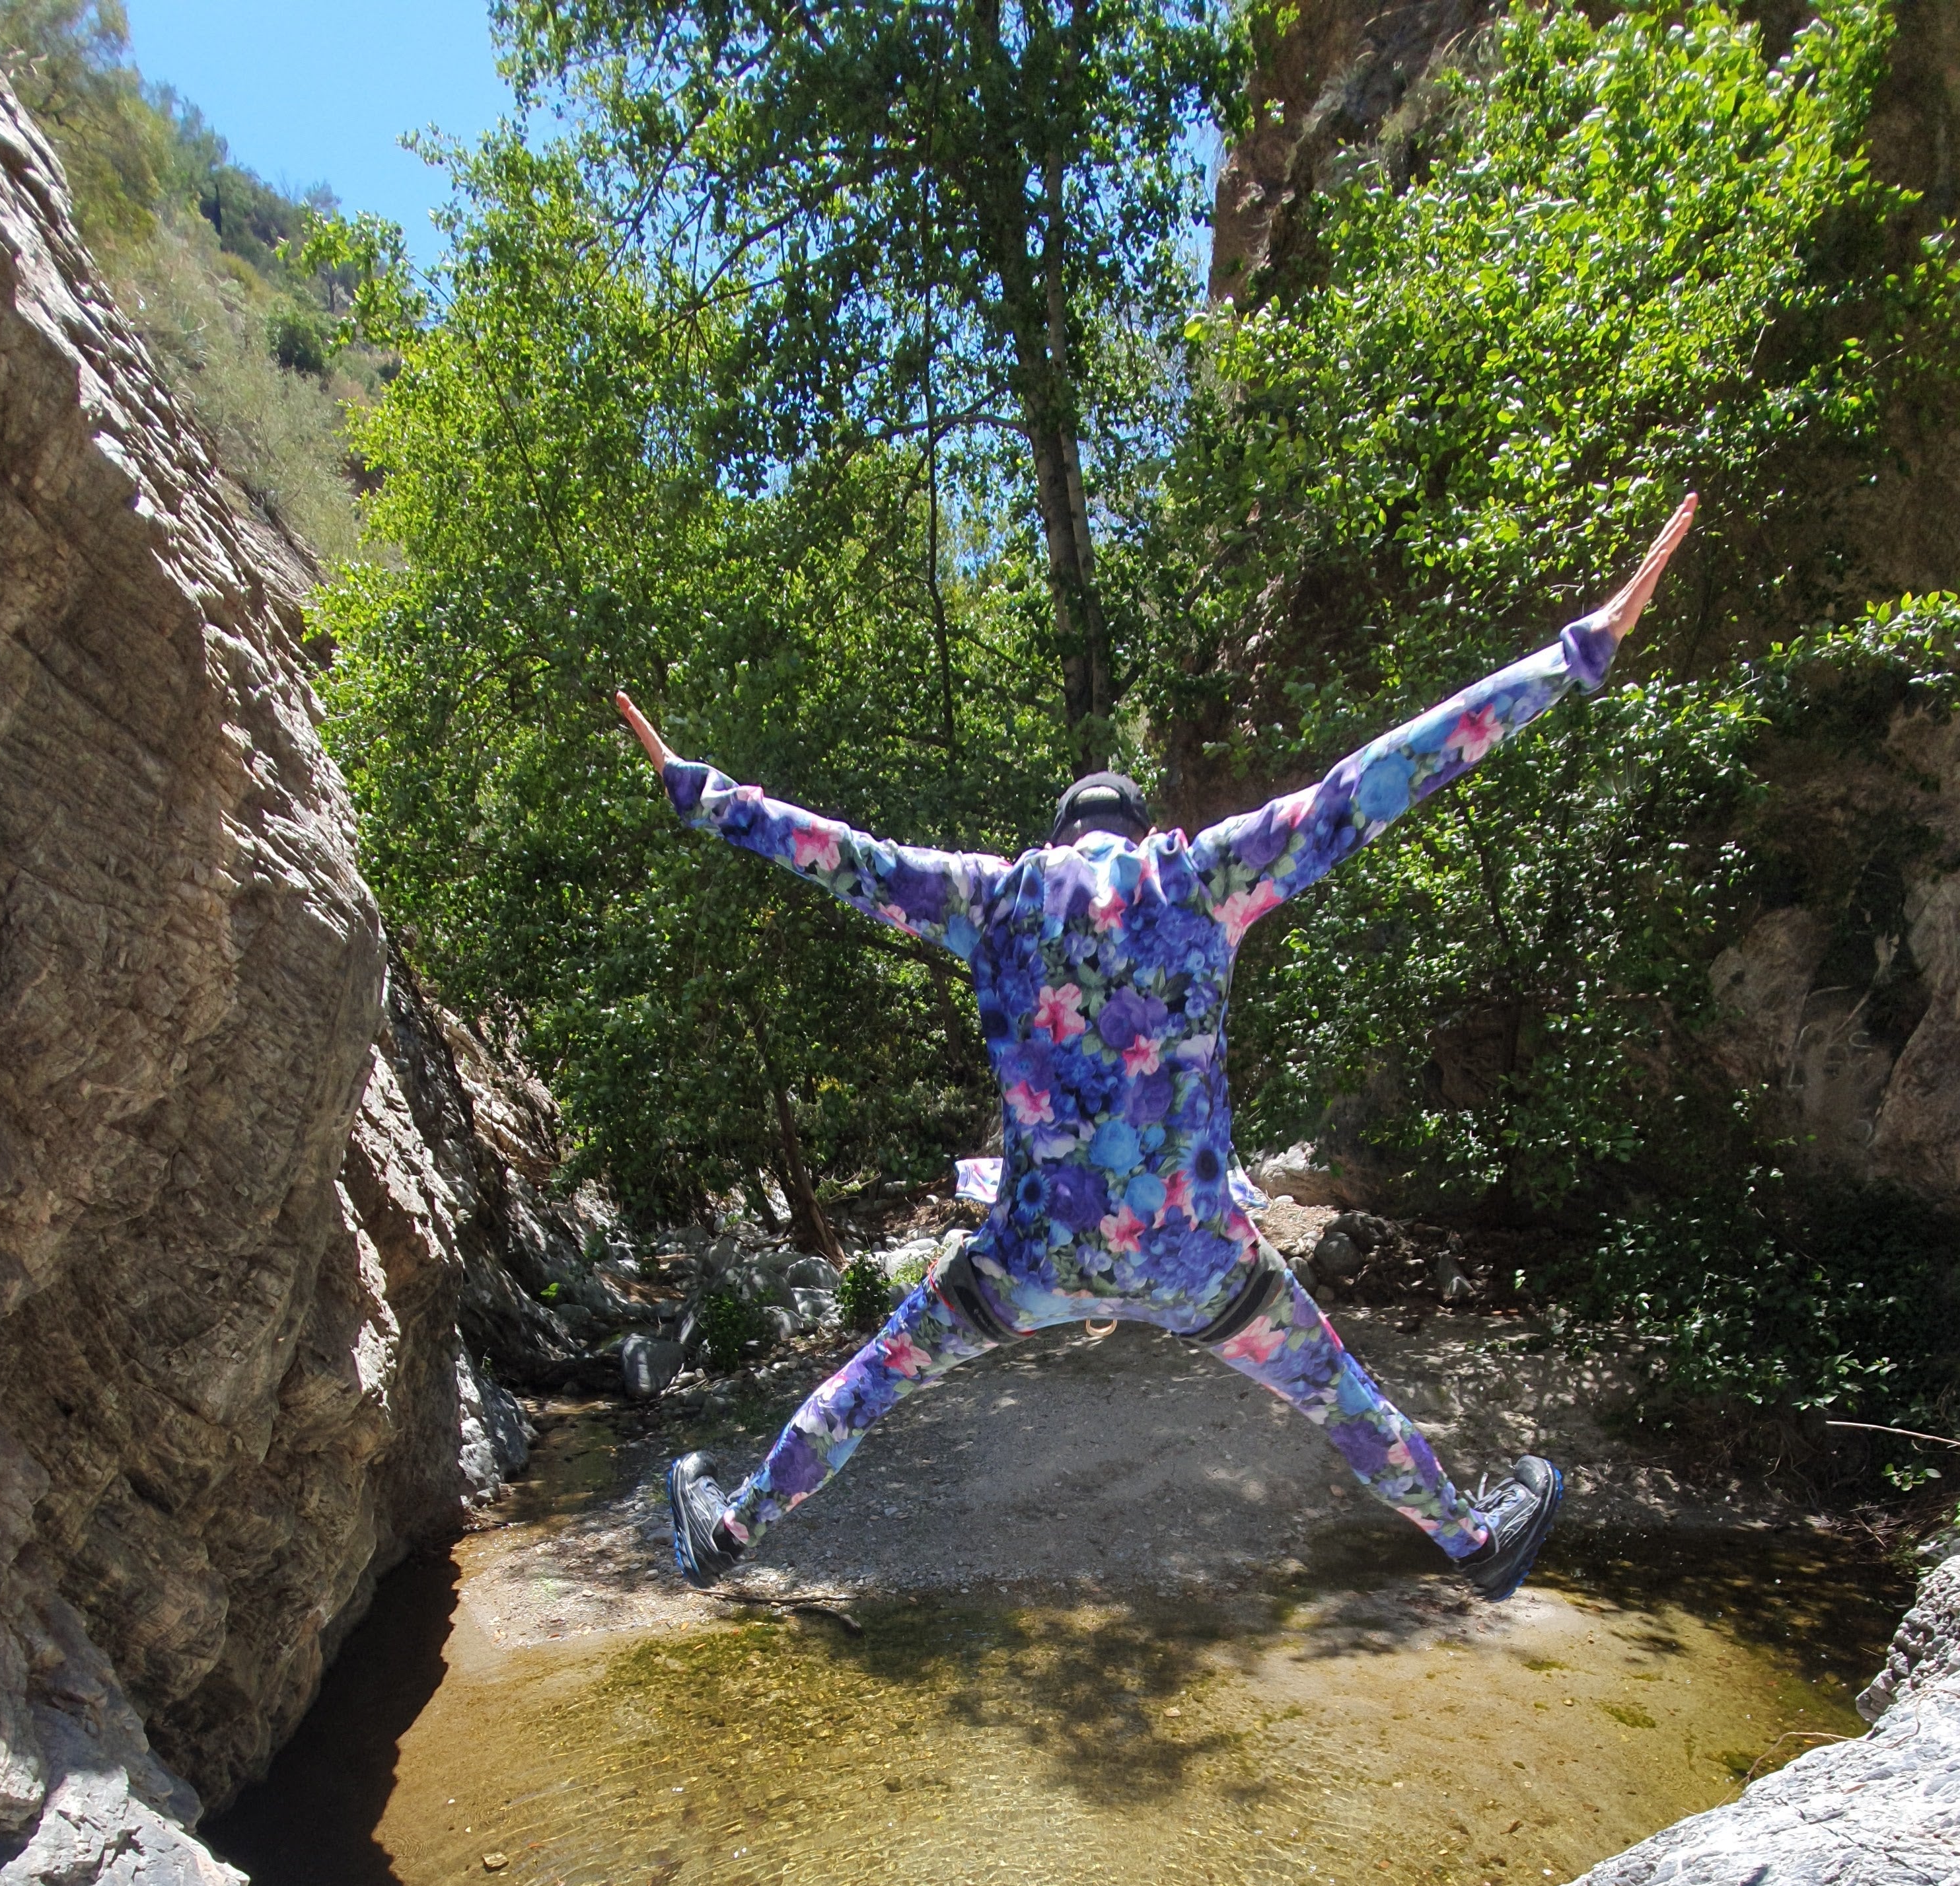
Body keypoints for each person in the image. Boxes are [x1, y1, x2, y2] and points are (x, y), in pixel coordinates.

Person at [616, 495, 1697, 1593]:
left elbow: (837, 856)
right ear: (1139, 824)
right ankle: (1475, 1543)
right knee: (1338, 1393)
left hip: (1031, 1262)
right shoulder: (1204, 877)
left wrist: (704, 794)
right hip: (1200, 1262)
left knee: (879, 1375)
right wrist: (1576, 655)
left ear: (1059, 831)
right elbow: (1378, 779)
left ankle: (733, 1533)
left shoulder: (994, 902)